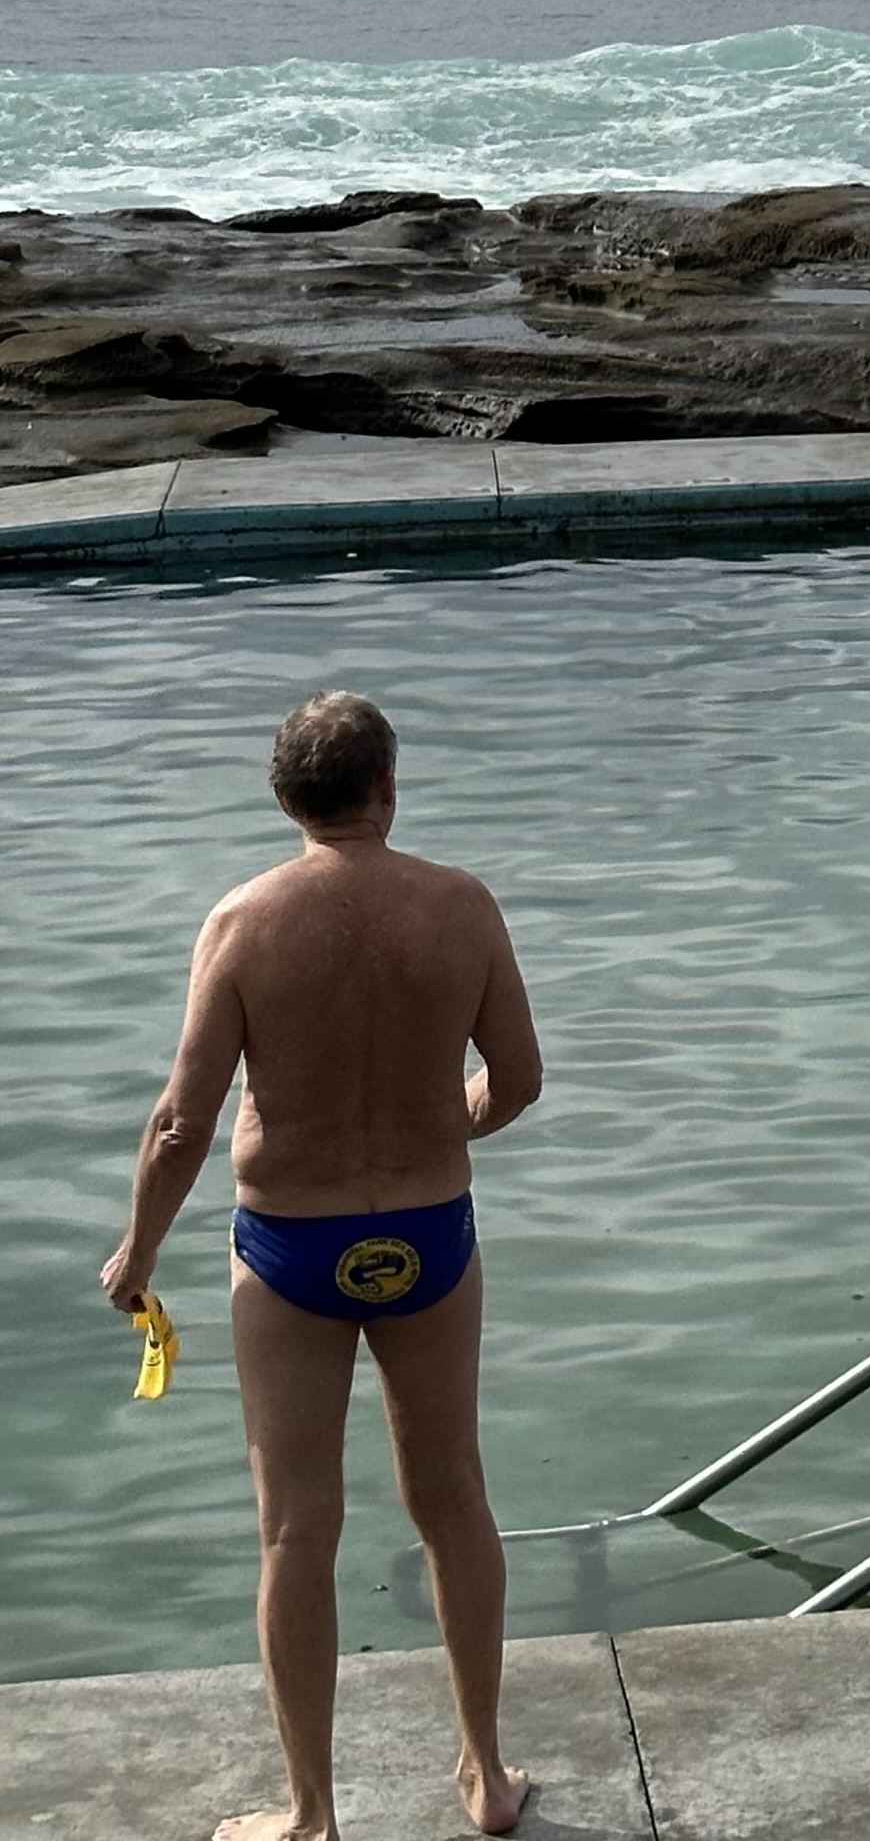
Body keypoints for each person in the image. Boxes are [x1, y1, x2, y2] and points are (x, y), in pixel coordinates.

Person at [101, 693, 542, 1841]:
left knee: (298, 1526)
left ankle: (311, 1816)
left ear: (285, 797)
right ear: (387, 788)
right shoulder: (463, 908)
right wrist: (442, 1124)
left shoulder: (244, 921)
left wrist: (138, 1250)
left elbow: (179, 1127)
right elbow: (519, 1079)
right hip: (431, 1233)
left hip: (292, 1246)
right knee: (453, 1498)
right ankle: (486, 1777)